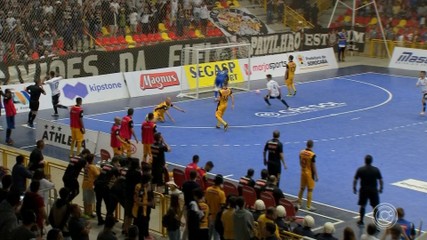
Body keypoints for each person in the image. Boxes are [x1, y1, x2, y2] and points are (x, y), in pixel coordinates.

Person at [353, 154, 383, 226]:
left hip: (364, 190)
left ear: (365, 161)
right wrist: (381, 188)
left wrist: (354, 187)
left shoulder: (360, 169)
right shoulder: (376, 170)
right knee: (375, 207)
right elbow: (380, 180)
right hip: (373, 191)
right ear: (371, 161)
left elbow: (355, 179)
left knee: (362, 206)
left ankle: (361, 221)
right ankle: (376, 223)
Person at [95, 156, 120, 225]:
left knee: (98, 203)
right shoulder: (114, 168)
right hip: (104, 187)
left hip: (97, 185)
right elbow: (119, 177)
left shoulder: (105, 165)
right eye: (118, 163)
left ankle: (99, 219)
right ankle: (109, 220)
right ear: (116, 162)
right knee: (108, 205)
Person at [297, 139, 319, 211]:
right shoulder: (312, 155)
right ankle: (308, 206)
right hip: (309, 174)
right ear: (312, 145)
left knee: (302, 188)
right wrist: (316, 175)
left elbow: (300, 162)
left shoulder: (301, 152)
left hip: (303, 172)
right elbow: (313, 166)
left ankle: (299, 203)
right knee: (310, 189)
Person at [132, 174, 154, 240]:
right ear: (147, 181)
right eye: (149, 181)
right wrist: (148, 204)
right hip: (140, 212)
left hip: (137, 211)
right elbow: (138, 202)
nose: (150, 182)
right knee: (141, 230)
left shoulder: (139, 186)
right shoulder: (141, 189)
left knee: (135, 227)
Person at [205, 174, 226, 240]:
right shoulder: (221, 193)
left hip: (208, 215)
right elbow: (222, 206)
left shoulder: (208, 189)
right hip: (216, 217)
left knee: (208, 234)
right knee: (216, 236)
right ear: (221, 183)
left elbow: (205, 201)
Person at [82, 153, 100, 217]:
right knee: (90, 201)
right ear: (92, 159)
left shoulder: (86, 165)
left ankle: (85, 212)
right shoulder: (93, 167)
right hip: (90, 185)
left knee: (85, 200)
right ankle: (89, 214)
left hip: (84, 184)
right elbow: (98, 174)